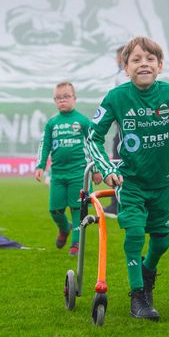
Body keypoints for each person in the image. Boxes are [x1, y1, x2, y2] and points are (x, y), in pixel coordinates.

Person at [87, 36, 169, 321]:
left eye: (150, 59)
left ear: (160, 65)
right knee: (133, 233)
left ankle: (146, 271)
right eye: (136, 60)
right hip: (130, 183)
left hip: (162, 185)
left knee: (162, 242)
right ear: (125, 68)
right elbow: (93, 135)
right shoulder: (116, 97)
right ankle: (138, 296)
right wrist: (107, 168)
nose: (143, 64)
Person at [35, 81, 102, 256]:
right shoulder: (52, 123)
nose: (62, 100)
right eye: (58, 98)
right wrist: (40, 165)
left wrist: (96, 169)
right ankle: (65, 228)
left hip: (79, 173)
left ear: (74, 98)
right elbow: (45, 145)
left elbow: (94, 145)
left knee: (77, 209)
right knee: (55, 211)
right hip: (58, 174)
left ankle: (76, 243)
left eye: (66, 96)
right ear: (54, 101)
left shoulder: (83, 121)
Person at [103, 45, 127, 218]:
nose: (117, 60)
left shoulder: (124, 75)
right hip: (125, 126)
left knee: (118, 163)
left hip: (126, 128)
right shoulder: (122, 74)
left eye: (119, 56)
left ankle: (116, 204)